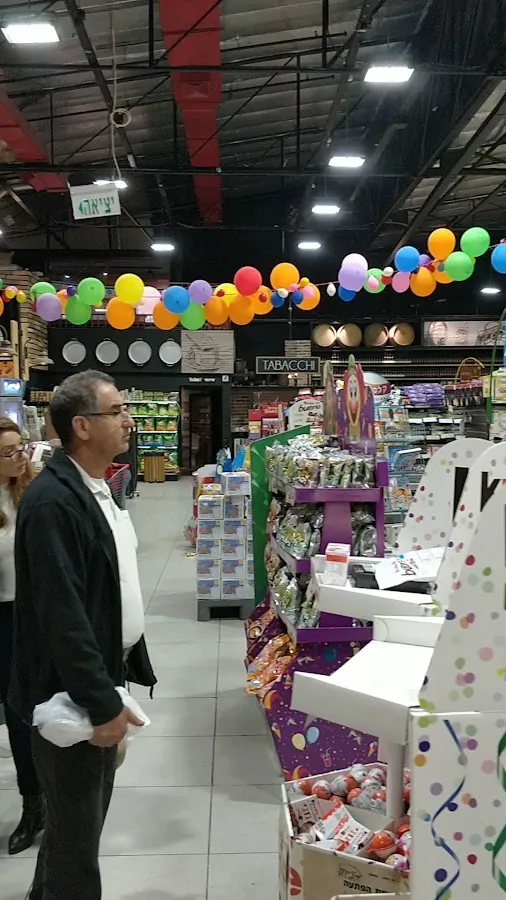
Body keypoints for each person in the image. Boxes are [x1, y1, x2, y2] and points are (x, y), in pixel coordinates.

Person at [9, 370, 156, 900]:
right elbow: (61, 614)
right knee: (76, 843)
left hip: (99, 678)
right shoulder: (54, 501)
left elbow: (108, 584)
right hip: (69, 694)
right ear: (82, 426)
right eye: (116, 411)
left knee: (74, 833)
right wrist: (101, 702)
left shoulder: (96, 488)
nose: (129, 420)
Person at [0, 418, 44, 855]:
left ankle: (37, 802)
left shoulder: (33, 493)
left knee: (26, 712)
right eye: (8, 452)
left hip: (30, 615)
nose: (19, 457)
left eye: (20, 448)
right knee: (15, 713)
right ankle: (34, 798)